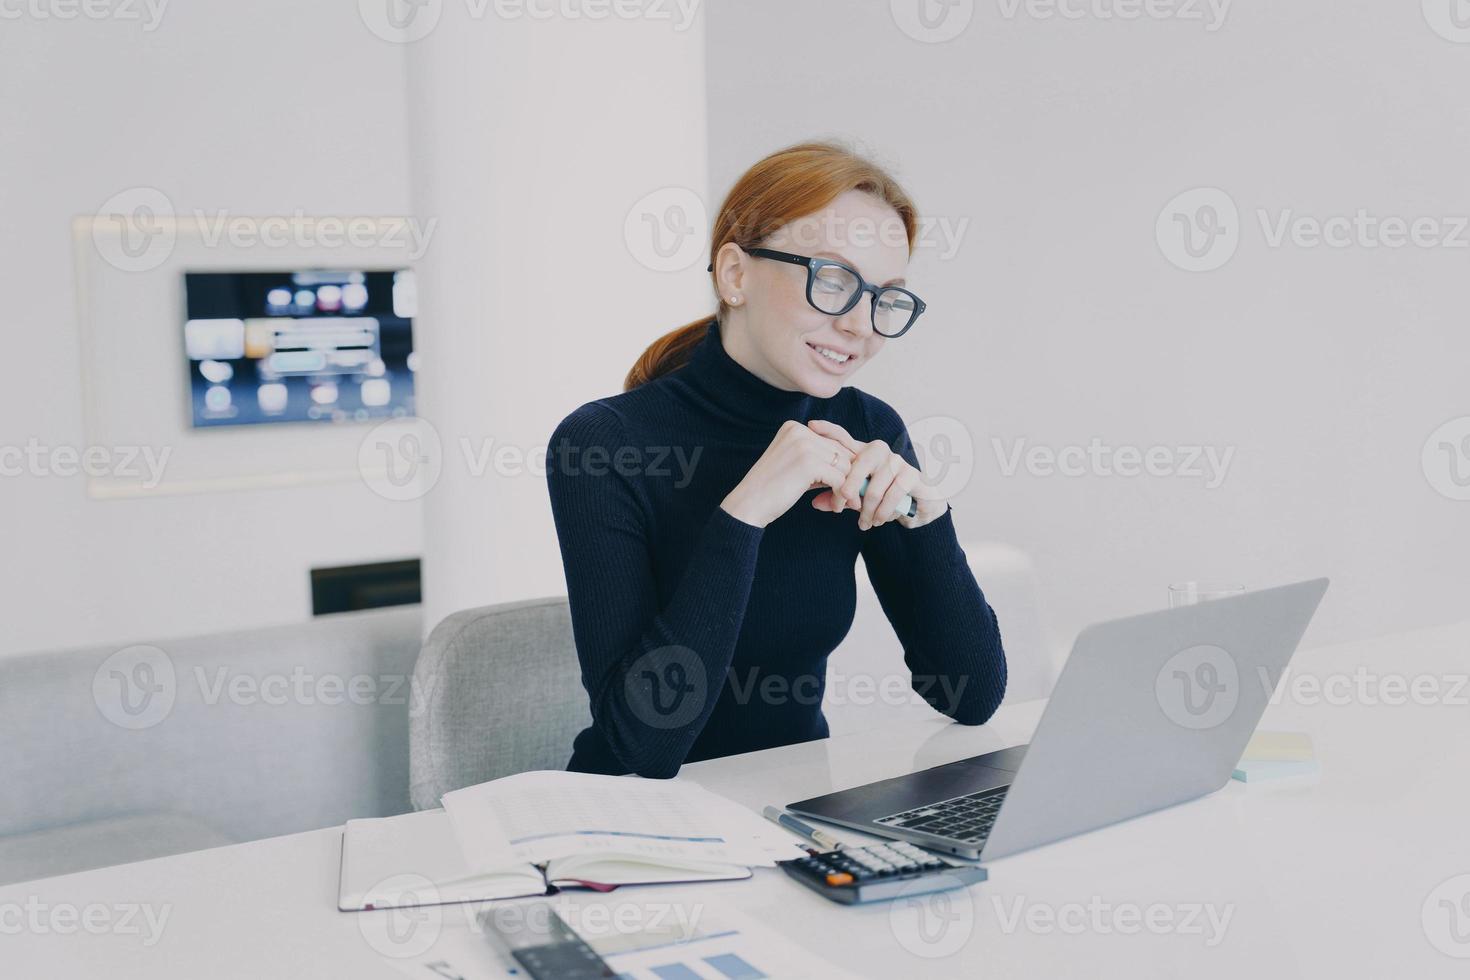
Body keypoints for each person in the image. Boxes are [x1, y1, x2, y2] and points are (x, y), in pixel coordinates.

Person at [546, 140, 1006, 778]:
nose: (862, 326)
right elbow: (642, 748)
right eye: (835, 281)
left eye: (885, 297)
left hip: (795, 808)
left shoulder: (865, 428)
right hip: (637, 827)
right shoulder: (604, 444)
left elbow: (971, 696)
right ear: (735, 275)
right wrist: (745, 512)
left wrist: (928, 522)